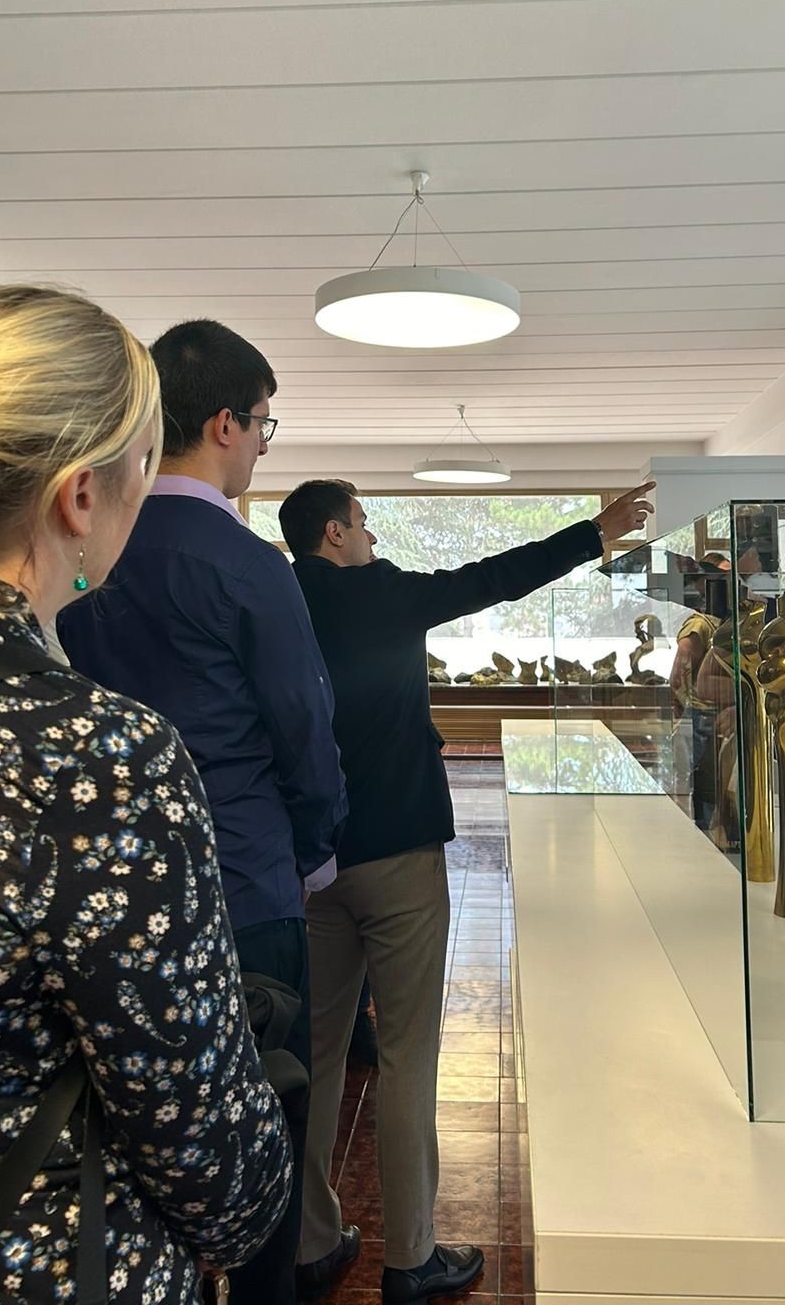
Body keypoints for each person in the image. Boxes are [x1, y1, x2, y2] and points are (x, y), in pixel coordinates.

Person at [0, 286, 291, 1304]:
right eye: (142, 466)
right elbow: (212, 1162)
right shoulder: (98, 755)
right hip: (45, 1265)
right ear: (80, 497)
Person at [279, 479, 654, 1304]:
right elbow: (494, 576)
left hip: (306, 861)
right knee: (410, 1053)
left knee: (316, 1052)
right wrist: (595, 531)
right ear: (336, 532)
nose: (373, 536)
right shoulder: (381, 594)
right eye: (366, 523)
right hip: (400, 853)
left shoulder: (275, 597)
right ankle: (409, 1258)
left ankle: (310, 1244)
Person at [59, 319, 350, 1305]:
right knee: (265, 1133)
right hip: (243, 884)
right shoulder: (249, 563)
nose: (265, 443)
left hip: (100, 900)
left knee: (130, 1134)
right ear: (226, 422)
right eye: (266, 423)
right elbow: (306, 732)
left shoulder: (83, 543)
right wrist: (311, 847)